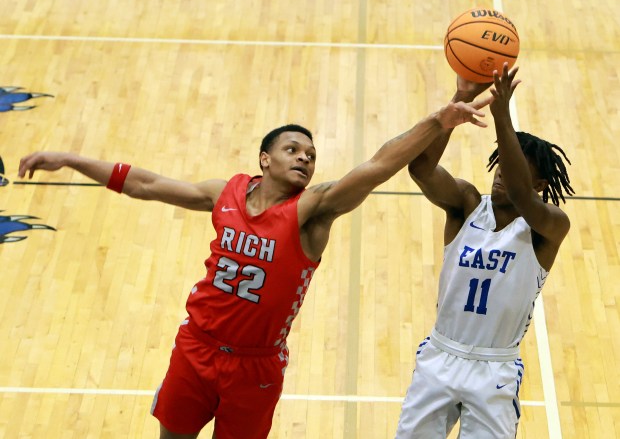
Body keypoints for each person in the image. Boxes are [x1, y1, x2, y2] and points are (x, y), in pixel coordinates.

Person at [18, 90, 490, 439]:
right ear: (264, 159)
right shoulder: (223, 194)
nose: (305, 158)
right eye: (293, 150)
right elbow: (144, 184)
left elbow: (379, 165)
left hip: (255, 367)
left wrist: (438, 119)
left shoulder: (313, 211)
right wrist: (67, 158)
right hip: (196, 349)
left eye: (311, 155)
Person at [395, 63, 575, 439]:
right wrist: (458, 101)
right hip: (441, 355)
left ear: (539, 182)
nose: (500, 174)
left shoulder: (548, 227)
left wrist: (502, 117)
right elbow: (422, 170)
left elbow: (524, 197)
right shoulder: (465, 204)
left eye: (513, 169)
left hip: (494, 370)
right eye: (499, 165)